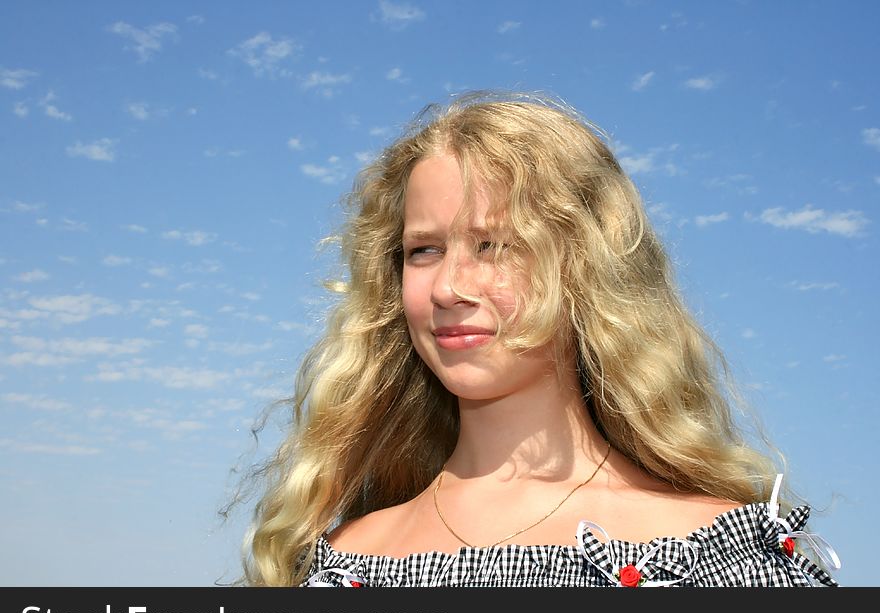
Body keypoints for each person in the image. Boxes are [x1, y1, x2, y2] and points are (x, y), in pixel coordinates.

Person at [238, 90, 840, 587]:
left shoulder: (726, 564)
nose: (448, 287)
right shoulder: (338, 567)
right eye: (423, 250)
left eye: (493, 245)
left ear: (586, 265)